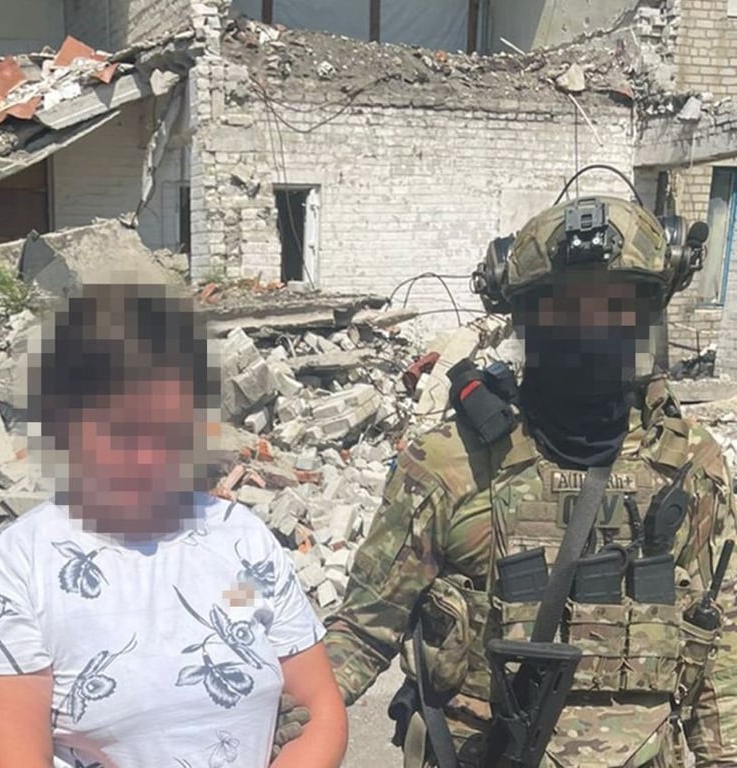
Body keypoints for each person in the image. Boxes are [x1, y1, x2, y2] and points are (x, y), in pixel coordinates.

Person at [310, 188, 737, 766]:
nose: (591, 330)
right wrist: (275, 727)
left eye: (617, 307)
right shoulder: (448, 465)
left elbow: (721, 649)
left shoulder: (687, 464)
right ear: (525, 320)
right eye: (563, 309)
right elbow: (363, 632)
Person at [0, 281, 348, 767]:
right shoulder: (16, 571)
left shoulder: (241, 541)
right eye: (121, 433)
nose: (146, 457)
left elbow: (319, 711)